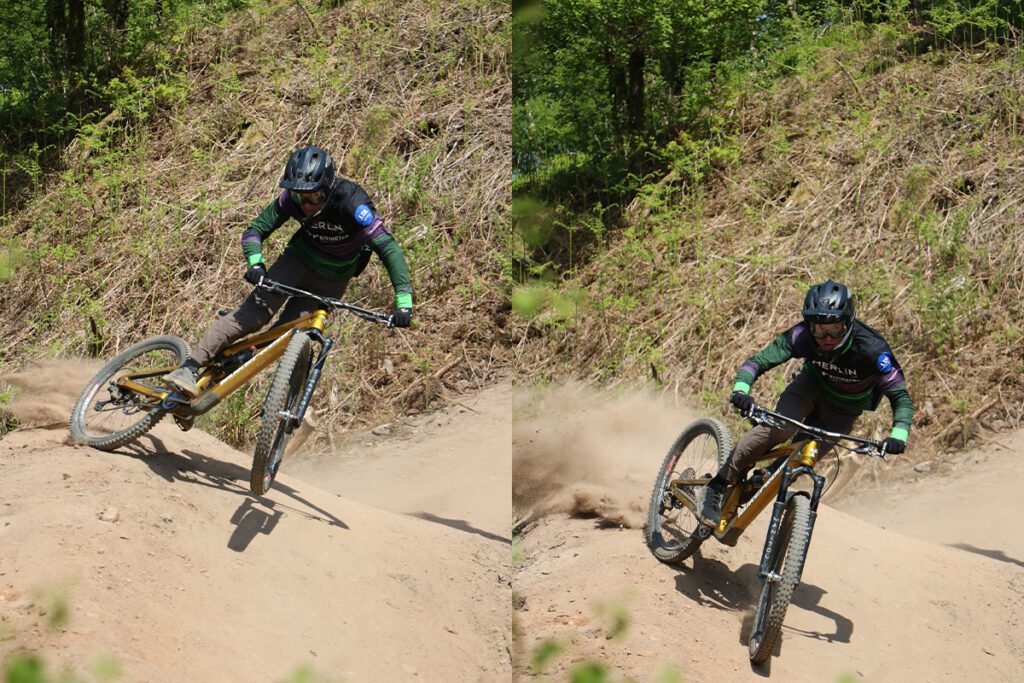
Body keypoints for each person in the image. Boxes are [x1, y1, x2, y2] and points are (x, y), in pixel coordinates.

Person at [164, 145, 413, 397]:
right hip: (296, 262)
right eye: (299, 196)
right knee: (251, 317)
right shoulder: (291, 199)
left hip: (333, 279)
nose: (306, 204)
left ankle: (213, 383)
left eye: (314, 197)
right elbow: (254, 231)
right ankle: (189, 368)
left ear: (328, 187)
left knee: (280, 339)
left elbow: (388, 248)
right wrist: (256, 264)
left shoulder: (352, 202)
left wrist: (403, 304)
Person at [696, 279, 914, 527]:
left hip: (844, 411)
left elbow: (901, 398)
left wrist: (898, 436)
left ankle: (757, 483)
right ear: (810, 326)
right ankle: (715, 487)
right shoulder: (802, 335)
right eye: (819, 330)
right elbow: (757, 362)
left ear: (849, 322)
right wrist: (741, 391)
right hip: (809, 389)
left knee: (796, 464)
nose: (827, 337)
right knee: (778, 430)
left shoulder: (873, 350)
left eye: (835, 329)